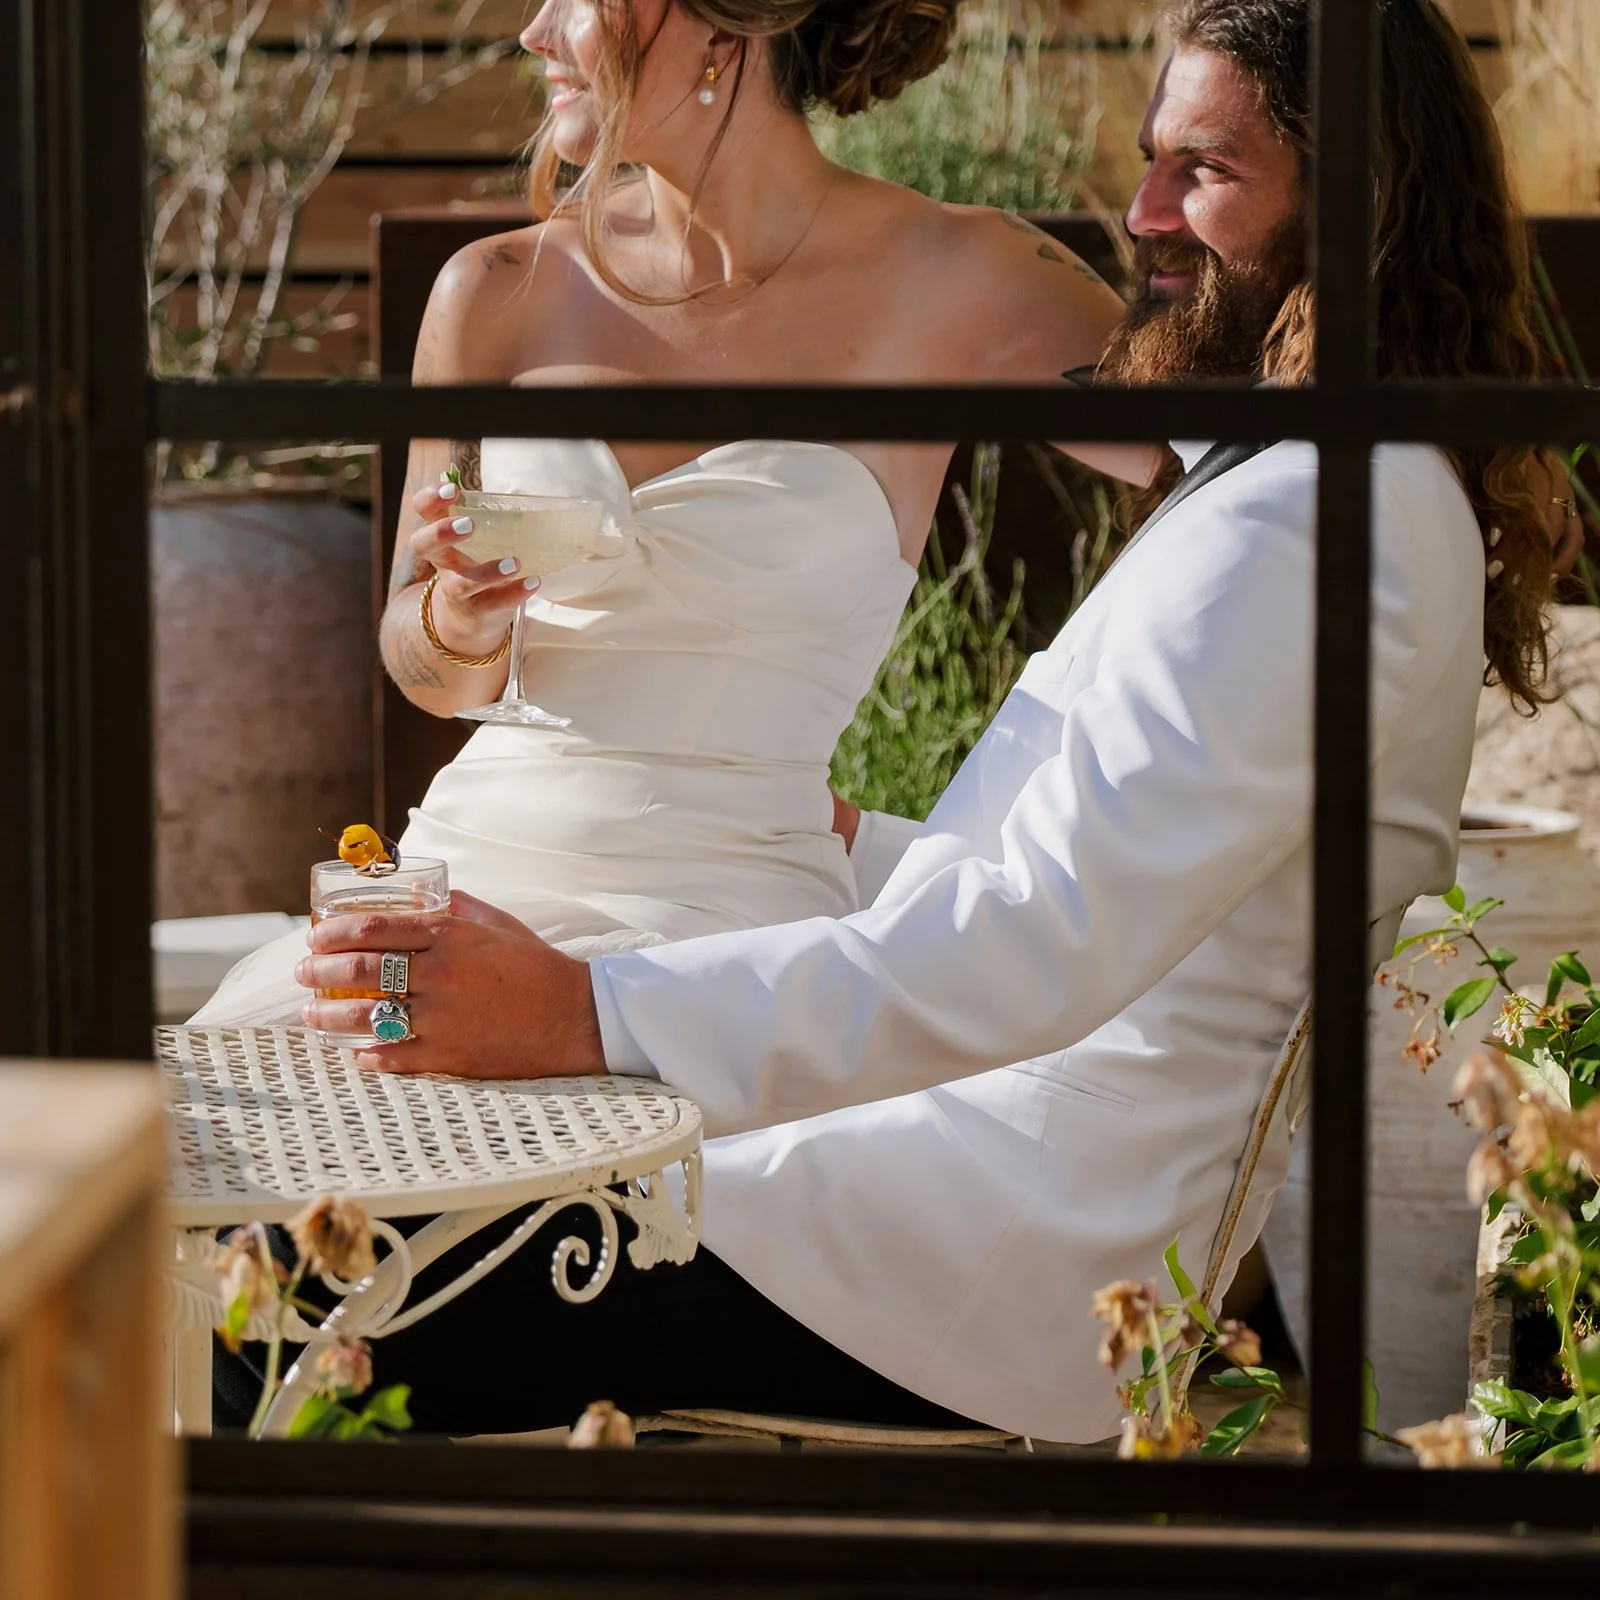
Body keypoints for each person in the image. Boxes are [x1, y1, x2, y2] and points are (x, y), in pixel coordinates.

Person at [258, 0, 1567, 1444]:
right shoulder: (1316, 496)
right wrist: (856, 841)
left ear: (1358, 199)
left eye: (1204, 170)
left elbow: (1027, 948)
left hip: (966, 1251)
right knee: (293, 1212)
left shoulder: (1311, 524)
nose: (1137, 216)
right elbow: (1118, 874)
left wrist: (582, 1009)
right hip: (947, 1174)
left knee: (278, 1287)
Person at [190, 0, 1149, 1030]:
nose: (535, 33)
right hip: (464, 875)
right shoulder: (495, 288)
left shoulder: (966, 277)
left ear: (723, 26)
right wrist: (457, 623)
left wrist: (1072, 765)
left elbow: (1229, 476)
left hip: (734, 926)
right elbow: (420, 667)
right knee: (250, 1143)